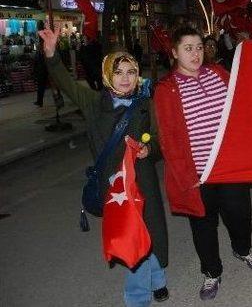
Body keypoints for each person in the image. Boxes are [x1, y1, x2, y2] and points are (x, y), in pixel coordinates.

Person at [38, 24, 169, 307]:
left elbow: (160, 139)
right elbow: (66, 83)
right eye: (119, 72)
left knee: (150, 233)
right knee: (132, 237)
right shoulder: (94, 103)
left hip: (143, 182)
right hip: (115, 186)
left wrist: (150, 148)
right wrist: (51, 56)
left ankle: (155, 279)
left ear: (137, 75)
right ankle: (141, 295)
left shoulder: (146, 103)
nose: (125, 78)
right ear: (108, 73)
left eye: (131, 72)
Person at [153, 26, 252, 302]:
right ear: (175, 52)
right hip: (197, 175)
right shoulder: (167, 89)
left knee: (240, 215)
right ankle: (212, 272)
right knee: (203, 227)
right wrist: (184, 175)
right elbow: (168, 138)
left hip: (228, 168)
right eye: (188, 48)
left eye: (199, 47)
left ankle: (242, 249)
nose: (195, 53)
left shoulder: (218, 74)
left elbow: (245, 97)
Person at [33, 40, 48, 107]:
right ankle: (39, 101)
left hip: (42, 72)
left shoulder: (40, 54)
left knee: (40, 87)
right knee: (41, 87)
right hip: (43, 71)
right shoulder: (43, 53)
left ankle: (39, 102)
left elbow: (35, 64)